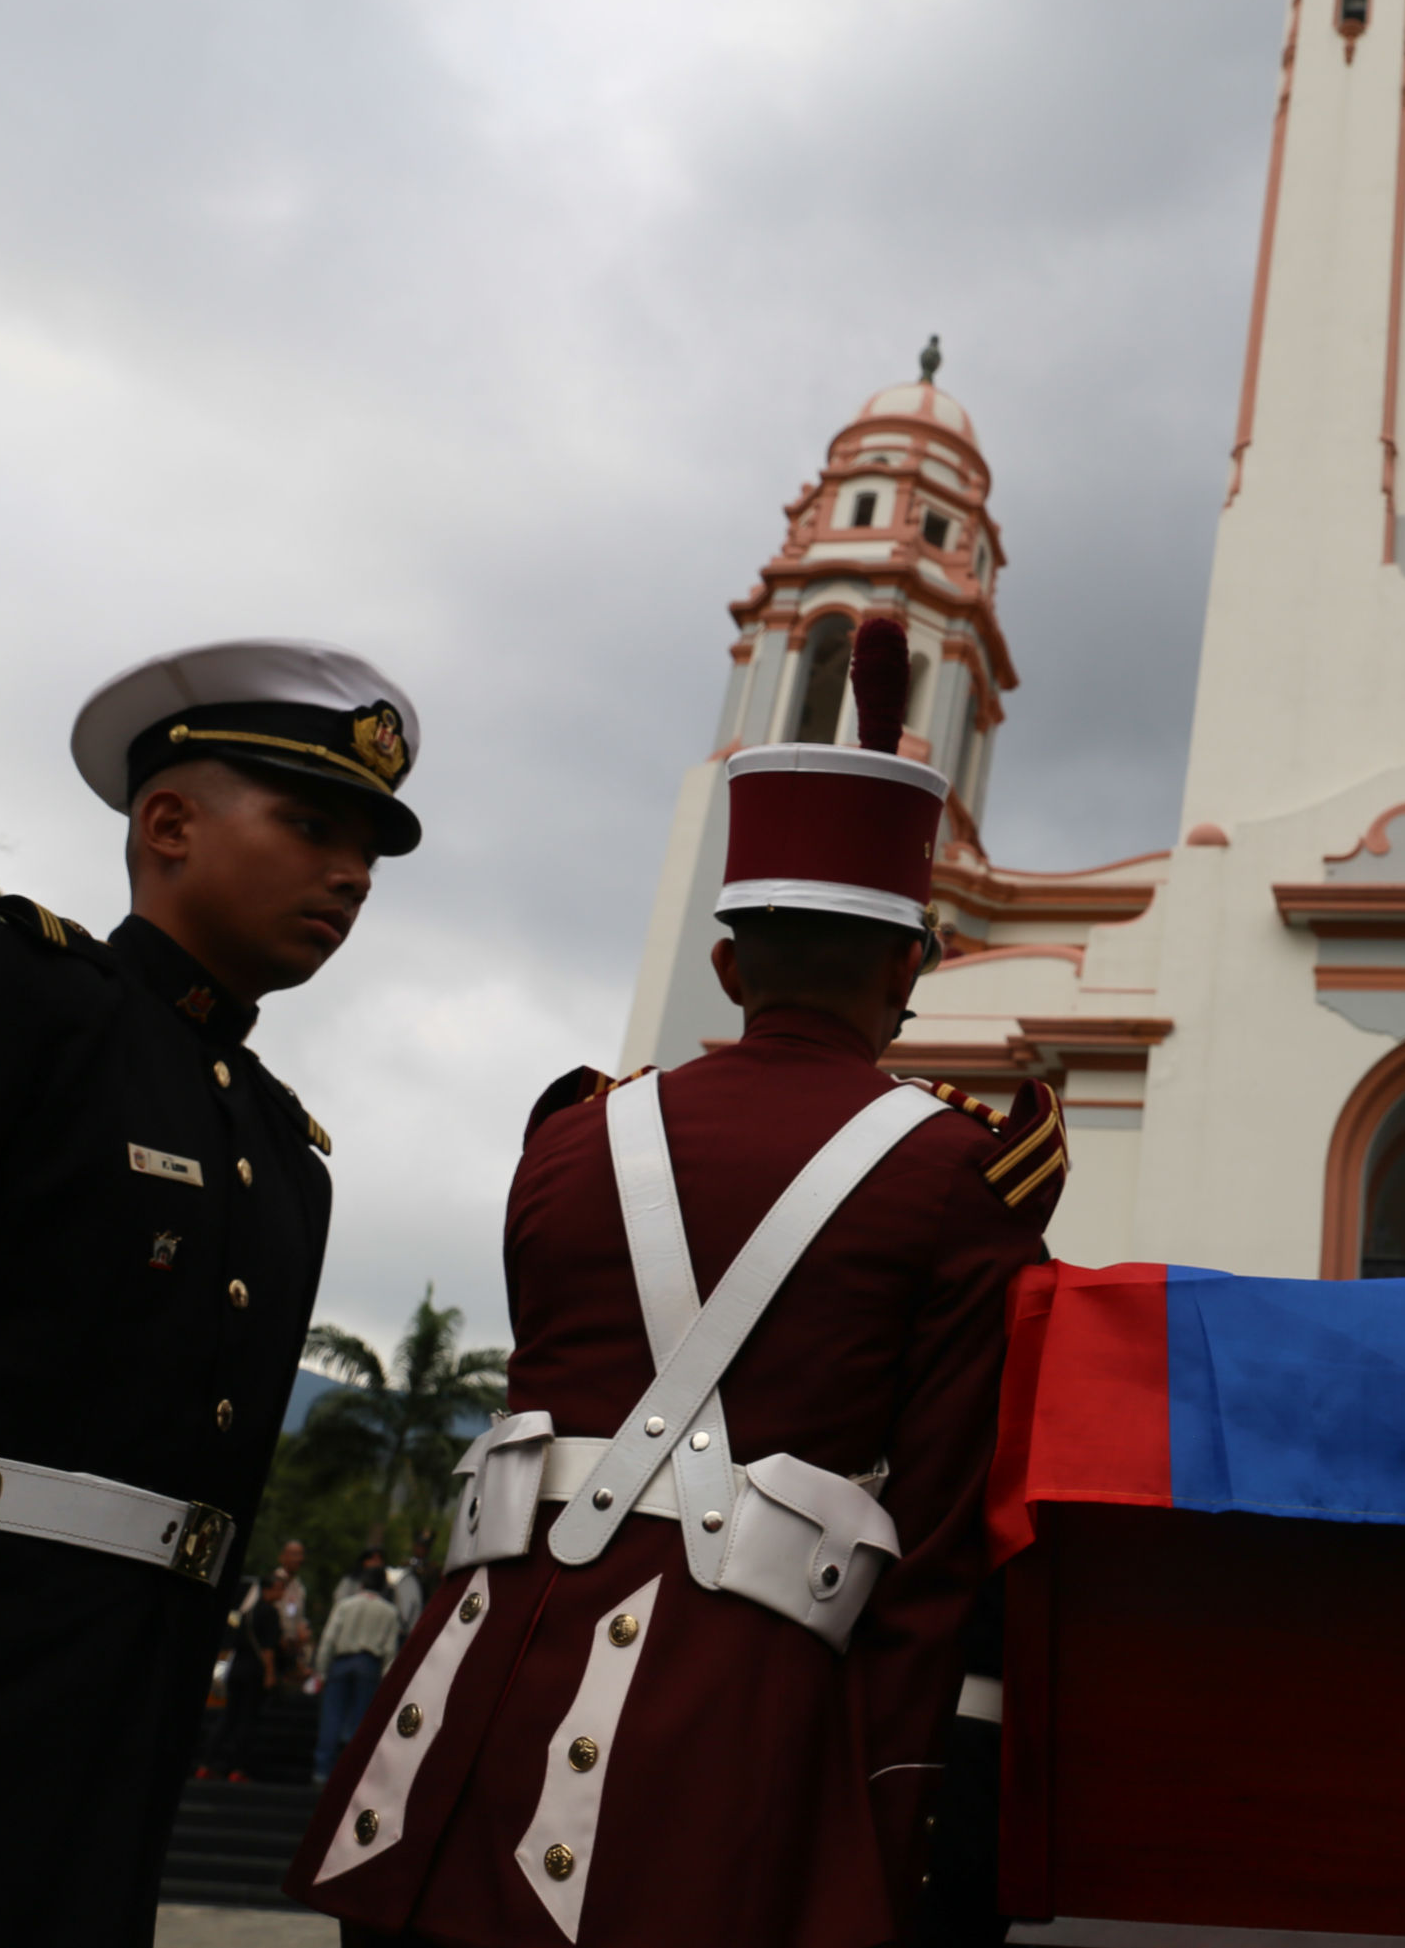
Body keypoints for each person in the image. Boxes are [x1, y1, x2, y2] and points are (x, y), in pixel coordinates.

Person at [289, 619, 1065, 1946]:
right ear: (907, 971)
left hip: (458, 1703)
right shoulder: (962, 1174)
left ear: (725, 964)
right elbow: (935, 1546)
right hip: (729, 1719)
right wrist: (892, 1807)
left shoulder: (572, 1136)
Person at [0, 640, 422, 1945]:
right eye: (309, 825)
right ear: (166, 822)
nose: (348, 875)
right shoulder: (3, 994)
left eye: (368, 853)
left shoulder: (286, 1155)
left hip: (133, 1685)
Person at [311, 1558, 403, 1779]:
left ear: (362, 1584)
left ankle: (322, 1770)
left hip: (342, 1661)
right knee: (360, 1720)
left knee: (332, 1716)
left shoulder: (346, 1605)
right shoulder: (389, 1612)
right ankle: (349, 1773)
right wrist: (386, 1679)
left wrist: (321, 1670)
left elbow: (329, 1639)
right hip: (369, 1664)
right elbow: (391, 1650)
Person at [199, 1568, 289, 1781]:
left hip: (237, 1668)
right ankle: (237, 1768)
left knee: (228, 1716)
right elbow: (268, 1647)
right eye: (279, 1588)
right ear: (269, 1589)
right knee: (247, 1719)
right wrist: (270, 1673)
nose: (282, 1592)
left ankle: (207, 1762)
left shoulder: (247, 1612)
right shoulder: (270, 1612)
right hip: (254, 1671)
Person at [273, 1535, 315, 1681]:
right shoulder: (273, 1582)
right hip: (272, 1647)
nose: (299, 1559)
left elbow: (299, 1618)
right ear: (283, 1557)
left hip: (290, 1650)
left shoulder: (299, 1588)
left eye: (301, 1555)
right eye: (294, 1554)